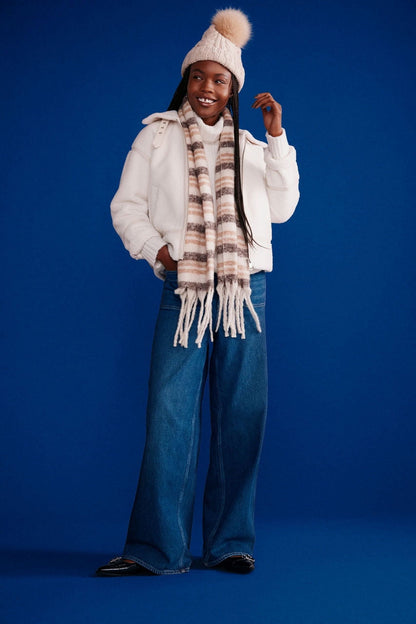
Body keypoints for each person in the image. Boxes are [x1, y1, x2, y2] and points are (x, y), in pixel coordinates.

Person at [96, 8, 299, 577]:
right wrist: (157, 252)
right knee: (170, 415)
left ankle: (231, 542)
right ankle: (157, 550)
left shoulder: (254, 146)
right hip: (184, 292)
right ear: (186, 80)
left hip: (244, 292)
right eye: (198, 76)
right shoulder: (156, 137)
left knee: (241, 414)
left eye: (219, 80)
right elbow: (126, 207)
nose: (207, 87)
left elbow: (283, 208)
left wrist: (277, 138)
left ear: (232, 90)